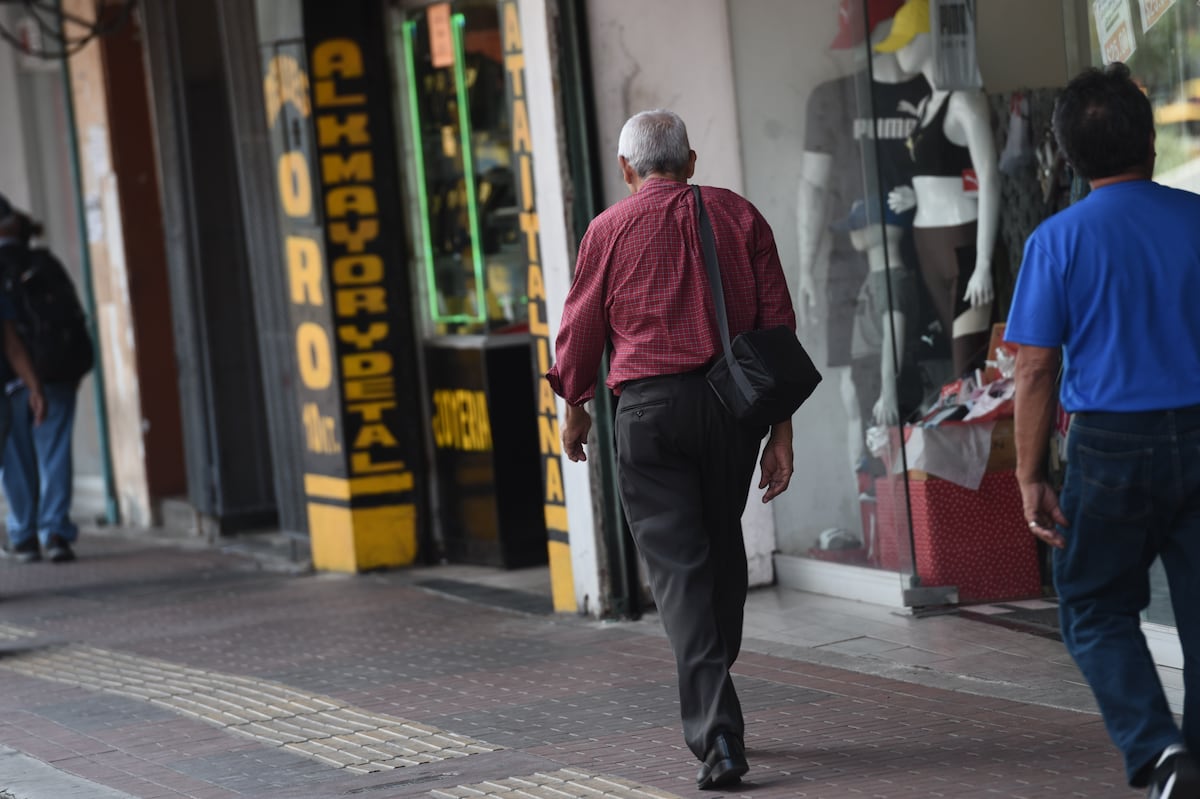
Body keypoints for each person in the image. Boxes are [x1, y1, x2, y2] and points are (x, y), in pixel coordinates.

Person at [546, 109, 797, 790]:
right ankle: (717, 672)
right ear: (689, 159)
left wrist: (576, 409)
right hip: (732, 409)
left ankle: (718, 733)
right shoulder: (740, 217)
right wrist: (781, 430)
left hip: (650, 415)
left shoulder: (609, 229)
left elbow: (579, 331)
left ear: (628, 169)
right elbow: (778, 327)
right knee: (719, 548)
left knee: (682, 574)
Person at [1006, 63, 1200, 798]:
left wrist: (1031, 475)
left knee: (1090, 604)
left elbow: (1033, 371)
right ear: (1150, 144)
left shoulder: (1056, 242)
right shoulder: (1198, 219)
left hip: (1111, 444)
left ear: (1066, 157)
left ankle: (1160, 750)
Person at [797, 0, 929, 478]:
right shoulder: (831, 98)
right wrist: (806, 269)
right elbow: (811, 189)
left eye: (866, 36)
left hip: (924, 258)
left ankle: (916, 502)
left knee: (926, 381)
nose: (859, 51)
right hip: (850, 267)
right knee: (857, 391)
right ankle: (875, 509)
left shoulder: (929, 86)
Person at [880, 0, 999, 377]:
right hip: (926, 242)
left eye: (906, 40)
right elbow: (948, 168)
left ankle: (990, 435)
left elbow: (990, 177)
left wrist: (983, 263)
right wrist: (919, 194)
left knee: (972, 364)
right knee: (956, 360)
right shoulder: (927, 104)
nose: (899, 51)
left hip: (962, 240)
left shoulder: (964, 100)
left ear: (931, 36)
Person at [0, 203, 83, 564]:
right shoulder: (43, 263)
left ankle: (24, 534)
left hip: (12, 384)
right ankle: (55, 532)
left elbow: (12, 343)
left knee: (15, 462)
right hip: (53, 372)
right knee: (55, 453)